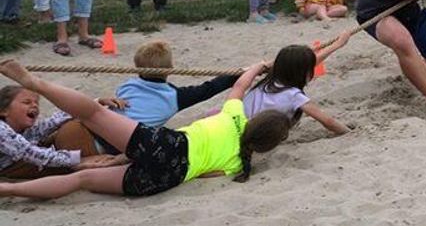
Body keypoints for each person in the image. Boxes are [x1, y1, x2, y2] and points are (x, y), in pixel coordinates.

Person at [0, 59, 292, 198]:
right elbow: (207, 173)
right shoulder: (240, 162)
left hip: (168, 144)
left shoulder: (234, 117)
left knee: (93, 112)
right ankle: (8, 190)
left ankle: (36, 84)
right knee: (83, 180)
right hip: (168, 178)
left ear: (255, 120)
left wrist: (257, 66)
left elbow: (239, 85)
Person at [101, 40, 240, 152]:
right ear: (170, 69)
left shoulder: (126, 87)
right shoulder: (174, 97)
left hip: (99, 128)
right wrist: (241, 73)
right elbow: (208, 89)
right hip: (117, 146)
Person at [1, 83, 119, 178]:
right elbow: (30, 153)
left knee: (67, 125)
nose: (34, 106)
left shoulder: (25, 129)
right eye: (26, 102)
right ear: (4, 111)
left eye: (36, 103)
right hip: (11, 167)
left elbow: (54, 120)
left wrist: (95, 103)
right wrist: (77, 159)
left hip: (27, 158)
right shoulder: (2, 130)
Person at [244, 39, 352, 135]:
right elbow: (328, 122)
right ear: (304, 73)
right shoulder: (294, 95)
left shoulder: (267, 81)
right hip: (258, 137)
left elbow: (303, 65)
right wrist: (350, 132)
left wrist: (337, 45)